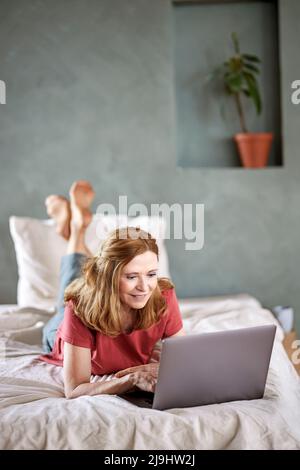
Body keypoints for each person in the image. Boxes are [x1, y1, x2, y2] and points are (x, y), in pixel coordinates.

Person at [39, 181, 185, 399]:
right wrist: (130, 380)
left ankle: (76, 228)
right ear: (108, 277)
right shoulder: (78, 308)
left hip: (101, 277)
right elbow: (75, 390)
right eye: (131, 276)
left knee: (88, 270)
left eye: (151, 274)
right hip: (60, 331)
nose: (144, 287)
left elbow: (185, 359)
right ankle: (76, 229)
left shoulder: (163, 295)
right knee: (71, 284)